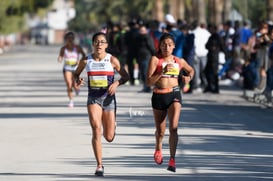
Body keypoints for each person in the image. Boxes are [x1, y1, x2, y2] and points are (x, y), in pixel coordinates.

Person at [73, 32, 129, 176]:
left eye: (102, 42)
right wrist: (77, 80)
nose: (99, 44)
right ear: (93, 44)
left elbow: (125, 76)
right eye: (97, 42)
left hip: (109, 99)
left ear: (106, 45)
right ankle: (99, 165)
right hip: (93, 98)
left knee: (109, 137)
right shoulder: (86, 61)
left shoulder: (112, 60)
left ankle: (113, 124)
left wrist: (116, 83)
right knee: (96, 128)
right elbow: (76, 74)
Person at [146, 33, 194, 172]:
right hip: (158, 96)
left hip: (174, 94)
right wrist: (161, 72)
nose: (166, 47)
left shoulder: (179, 61)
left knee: (173, 128)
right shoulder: (155, 60)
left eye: (169, 44)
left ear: (173, 46)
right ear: (159, 46)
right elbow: (148, 82)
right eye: (163, 44)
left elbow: (191, 70)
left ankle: (172, 159)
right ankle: (158, 148)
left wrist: (188, 78)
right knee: (161, 131)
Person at [57, 31, 86, 108]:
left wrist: (79, 61)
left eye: (72, 38)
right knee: (69, 84)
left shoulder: (78, 48)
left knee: (75, 85)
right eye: (68, 38)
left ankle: (76, 88)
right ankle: (71, 101)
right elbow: (60, 56)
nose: (70, 39)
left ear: (73, 39)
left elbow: (84, 56)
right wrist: (60, 59)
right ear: (66, 39)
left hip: (76, 68)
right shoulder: (63, 48)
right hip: (67, 68)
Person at [135, 24, 155, 92]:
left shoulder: (148, 37)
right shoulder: (138, 38)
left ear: (146, 31)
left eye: (143, 30)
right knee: (142, 73)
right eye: (141, 30)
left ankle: (148, 87)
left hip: (147, 57)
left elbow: (151, 47)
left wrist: (154, 56)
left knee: (146, 73)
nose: (142, 32)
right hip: (140, 57)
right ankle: (145, 86)